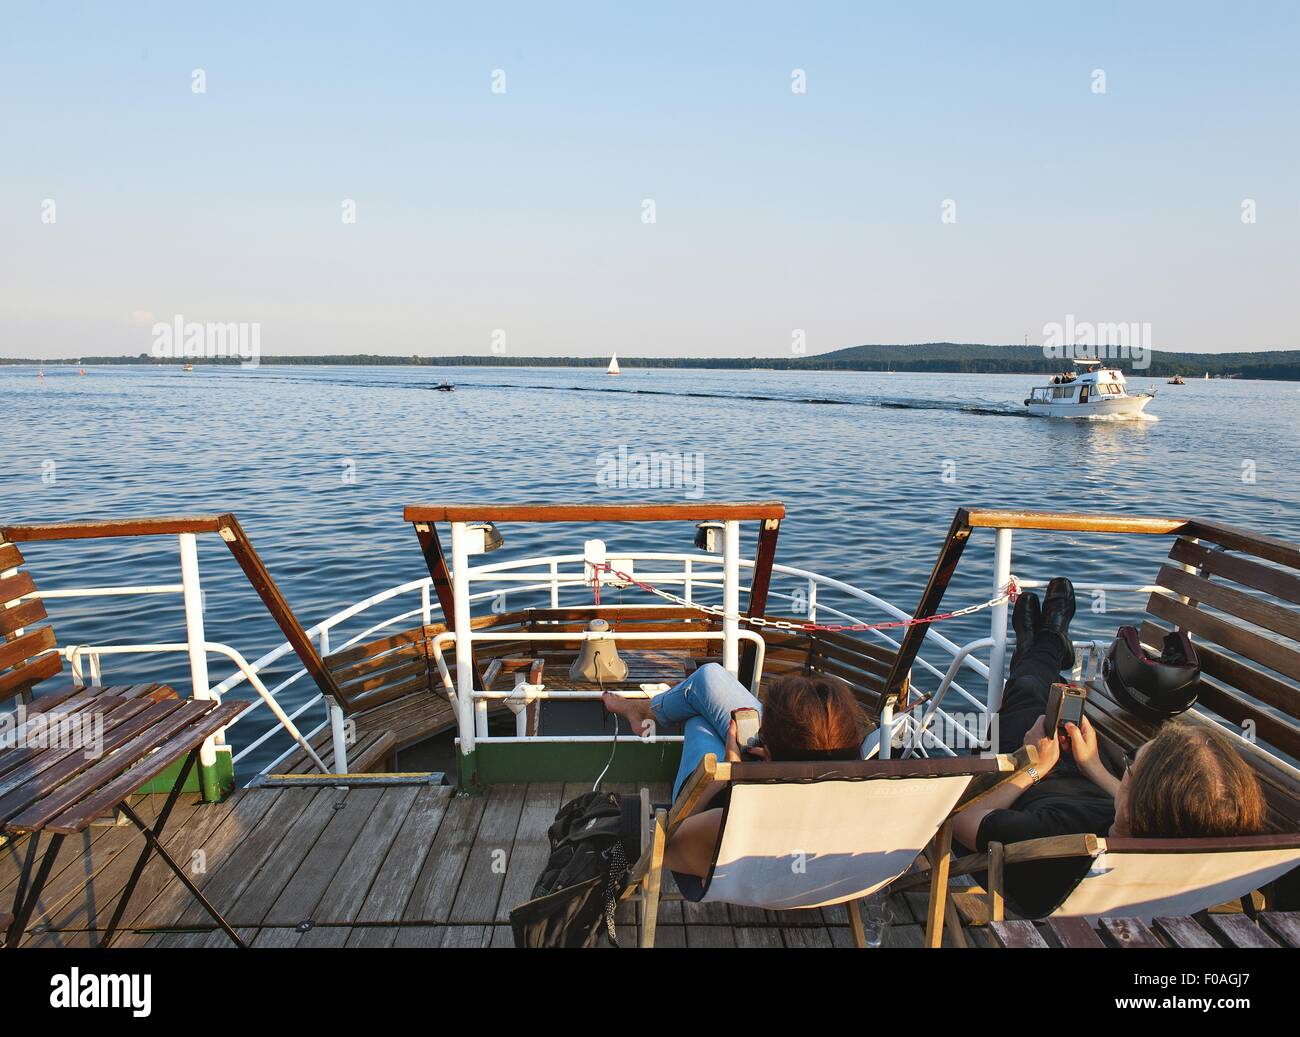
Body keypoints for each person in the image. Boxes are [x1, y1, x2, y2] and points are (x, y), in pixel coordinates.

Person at [952, 576, 1267, 914]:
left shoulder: (1049, 841)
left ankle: (1046, 644)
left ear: (1138, 803)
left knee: (1027, 694)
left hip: (1023, 782)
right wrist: (1095, 767)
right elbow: (1145, 811)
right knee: (1054, 704)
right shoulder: (1162, 847)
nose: (1125, 769)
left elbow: (957, 819)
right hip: (1079, 775)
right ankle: (1041, 647)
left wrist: (1033, 766)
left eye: (1131, 764)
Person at [602, 663, 863, 886]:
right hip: (799, 815)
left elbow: (665, 841)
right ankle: (645, 708)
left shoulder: (731, 822)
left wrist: (732, 772)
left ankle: (641, 709)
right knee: (712, 691)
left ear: (770, 750)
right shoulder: (861, 812)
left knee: (700, 708)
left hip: (718, 797)